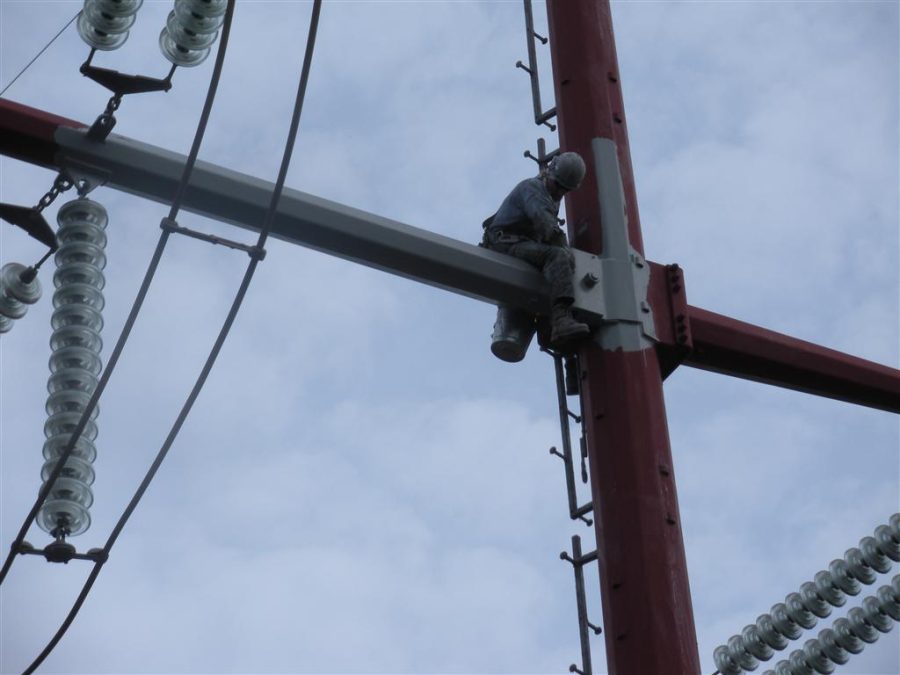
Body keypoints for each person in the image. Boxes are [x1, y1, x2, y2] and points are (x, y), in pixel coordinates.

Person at [483, 152, 590, 348]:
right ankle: (560, 320)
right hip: (506, 245)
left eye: (565, 190)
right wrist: (566, 253)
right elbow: (548, 228)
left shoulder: (550, 196)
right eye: (558, 185)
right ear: (549, 173)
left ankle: (547, 326)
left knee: (552, 269)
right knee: (557, 256)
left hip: (521, 244)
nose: (560, 192)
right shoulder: (532, 189)